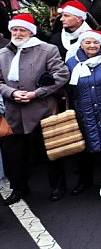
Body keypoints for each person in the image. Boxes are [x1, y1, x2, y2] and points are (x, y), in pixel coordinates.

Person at [0, 14, 70, 204]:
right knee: (14, 156)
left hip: (42, 110)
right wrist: (11, 93)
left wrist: (37, 93)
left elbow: (61, 75)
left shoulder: (47, 50)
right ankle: (19, 189)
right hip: (14, 113)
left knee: (50, 152)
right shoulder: (2, 53)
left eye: (22, 29)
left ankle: (58, 186)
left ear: (31, 32)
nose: (17, 33)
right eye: (14, 29)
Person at [65, 30, 101, 196]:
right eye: (87, 42)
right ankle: (85, 181)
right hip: (84, 110)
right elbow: (68, 88)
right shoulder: (72, 62)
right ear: (80, 44)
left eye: (95, 42)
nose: (92, 46)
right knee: (84, 149)